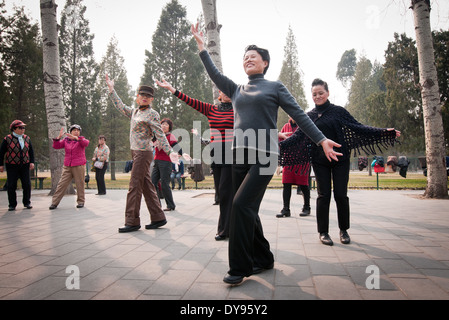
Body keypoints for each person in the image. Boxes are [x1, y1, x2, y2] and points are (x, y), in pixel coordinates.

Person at [191, 23, 342, 285]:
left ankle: (240, 267)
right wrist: (202, 48)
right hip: (239, 155)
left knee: (239, 206)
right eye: (245, 58)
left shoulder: (274, 87)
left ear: (265, 63)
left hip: (264, 156)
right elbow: (214, 75)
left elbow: (298, 115)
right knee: (247, 208)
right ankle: (264, 258)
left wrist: (321, 140)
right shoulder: (236, 89)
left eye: (253, 57)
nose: (248, 60)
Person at [280, 78, 401, 246]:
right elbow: (296, 138)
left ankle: (344, 230)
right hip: (320, 161)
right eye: (314, 94)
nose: (318, 96)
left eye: (321, 93)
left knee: (341, 195)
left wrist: (384, 133)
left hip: (341, 159)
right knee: (324, 195)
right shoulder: (309, 117)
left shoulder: (338, 112)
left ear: (328, 93)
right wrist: (276, 145)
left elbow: (359, 128)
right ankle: (323, 232)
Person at [156, 79, 234, 241]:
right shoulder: (211, 109)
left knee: (227, 192)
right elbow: (190, 101)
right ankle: (228, 227)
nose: (225, 92)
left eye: (229, 89)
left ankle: (226, 229)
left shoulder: (239, 110)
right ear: (219, 94)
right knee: (221, 192)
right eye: (222, 90)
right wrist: (172, 89)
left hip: (233, 155)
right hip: (217, 155)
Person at [105, 74, 179, 233]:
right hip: (135, 152)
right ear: (137, 97)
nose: (145, 98)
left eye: (148, 96)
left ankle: (132, 221)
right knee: (146, 185)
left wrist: (170, 151)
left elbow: (160, 134)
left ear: (151, 99)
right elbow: (121, 106)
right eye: (142, 95)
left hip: (143, 153)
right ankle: (158, 217)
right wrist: (112, 90)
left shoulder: (153, 114)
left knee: (134, 185)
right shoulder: (134, 112)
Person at [277, 117, 311, 218]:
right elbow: (280, 142)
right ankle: (286, 209)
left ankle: (307, 207)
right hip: (288, 161)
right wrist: (280, 161)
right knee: (286, 184)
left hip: (302, 161)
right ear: (288, 116)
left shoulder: (304, 126)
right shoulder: (285, 127)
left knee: (304, 185)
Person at [49, 125, 89, 210]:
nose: (76, 132)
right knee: (61, 184)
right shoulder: (66, 140)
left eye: (78, 130)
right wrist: (58, 138)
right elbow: (56, 146)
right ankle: (54, 203)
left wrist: (77, 138)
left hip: (79, 165)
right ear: (70, 132)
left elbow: (86, 143)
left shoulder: (81, 139)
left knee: (80, 184)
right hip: (67, 166)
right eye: (74, 130)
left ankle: (81, 202)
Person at [0, 120, 35, 211]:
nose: (22, 129)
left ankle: (27, 202)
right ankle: (12, 204)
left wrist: (32, 162)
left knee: (26, 184)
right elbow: (1, 152)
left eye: (23, 128)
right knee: (11, 185)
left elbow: (31, 151)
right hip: (12, 165)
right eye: (20, 128)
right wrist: (1, 165)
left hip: (25, 164)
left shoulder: (27, 138)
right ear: (14, 129)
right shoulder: (7, 139)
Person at [151, 118, 182, 211]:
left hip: (166, 162)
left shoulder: (170, 136)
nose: (164, 126)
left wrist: (179, 154)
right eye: (162, 124)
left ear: (169, 127)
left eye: (166, 125)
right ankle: (157, 205)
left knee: (164, 184)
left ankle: (171, 205)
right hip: (156, 161)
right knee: (152, 183)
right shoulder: (158, 136)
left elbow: (178, 148)